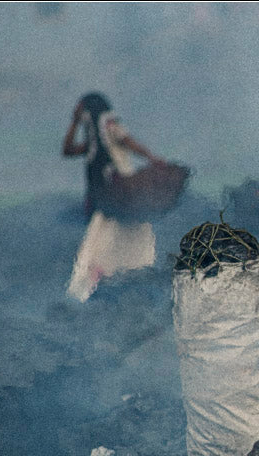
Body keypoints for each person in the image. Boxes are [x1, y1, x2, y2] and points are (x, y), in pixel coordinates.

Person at [62, 93, 188, 301]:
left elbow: (129, 142)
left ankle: (129, 287)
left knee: (124, 246)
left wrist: (153, 160)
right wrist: (74, 122)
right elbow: (67, 150)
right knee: (102, 247)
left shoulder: (109, 129)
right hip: (112, 205)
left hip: (125, 199)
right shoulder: (95, 144)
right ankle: (98, 288)